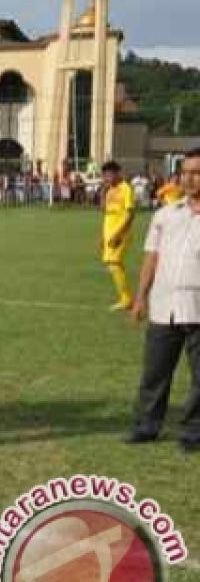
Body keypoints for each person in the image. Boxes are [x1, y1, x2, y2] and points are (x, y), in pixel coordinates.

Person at [127, 148, 200, 451]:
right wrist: (139, 298)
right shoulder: (165, 214)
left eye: (196, 173)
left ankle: (193, 432)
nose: (190, 178)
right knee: (155, 373)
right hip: (163, 307)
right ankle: (146, 426)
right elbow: (151, 259)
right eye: (185, 172)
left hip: (197, 309)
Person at [101, 160, 136, 311]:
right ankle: (125, 298)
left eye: (109, 175)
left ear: (117, 173)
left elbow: (130, 214)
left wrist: (118, 234)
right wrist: (102, 237)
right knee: (112, 265)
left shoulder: (126, 189)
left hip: (120, 234)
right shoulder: (109, 190)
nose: (107, 178)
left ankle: (127, 299)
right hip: (109, 233)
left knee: (114, 263)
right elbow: (105, 212)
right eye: (105, 176)